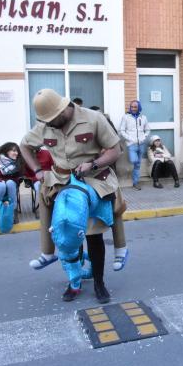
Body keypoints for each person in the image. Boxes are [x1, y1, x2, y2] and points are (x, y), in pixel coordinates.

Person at [21, 88, 123, 302]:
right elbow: (24, 146)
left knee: (93, 235)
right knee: (67, 233)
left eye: (52, 120)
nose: (48, 125)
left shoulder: (93, 118)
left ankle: (99, 282)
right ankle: (71, 278)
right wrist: (38, 171)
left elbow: (115, 150)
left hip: (94, 181)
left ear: (62, 110)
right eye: (45, 121)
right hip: (62, 183)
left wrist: (93, 163)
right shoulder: (46, 124)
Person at [119, 100, 150, 190]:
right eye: (132, 107)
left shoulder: (143, 117)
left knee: (138, 164)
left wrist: (144, 137)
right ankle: (132, 177)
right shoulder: (126, 117)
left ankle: (135, 182)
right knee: (134, 160)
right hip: (131, 144)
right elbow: (121, 130)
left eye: (135, 107)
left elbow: (147, 130)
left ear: (138, 107)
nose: (133, 109)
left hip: (141, 143)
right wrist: (130, 139)